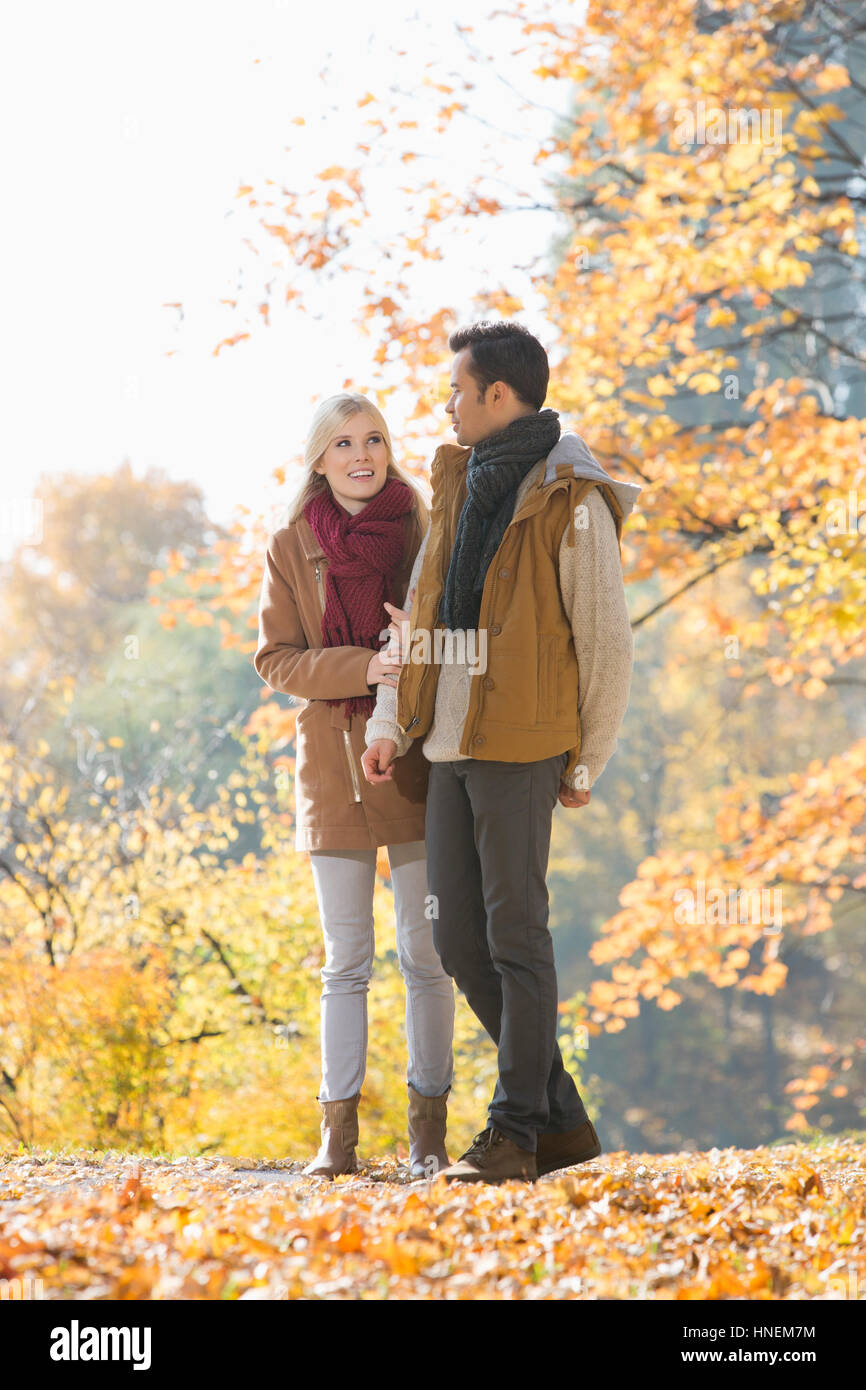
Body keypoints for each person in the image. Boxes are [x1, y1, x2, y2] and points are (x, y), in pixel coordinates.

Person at [362, 322, 641, 1182]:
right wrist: (393, 722)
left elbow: (604, 639)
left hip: (523, 744)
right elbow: (421, 611)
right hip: (449, 744)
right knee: (457, 942)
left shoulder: (570, 495)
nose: (445, 403)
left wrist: (585, 759)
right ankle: (556, 1121)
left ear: (497, 394)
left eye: (456, 388)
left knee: (517, 936)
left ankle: (514, 1133)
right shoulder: (457, 484)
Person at [254, 393, 455, 1179]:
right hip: (330, 766)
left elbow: (449, 633)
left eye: (373, 439)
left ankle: (428, 1139)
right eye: (343, 444)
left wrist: (401, 675)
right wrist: (360, 667)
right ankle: (336, 1141)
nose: (362, 454)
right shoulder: (290, 544)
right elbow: (275, 659)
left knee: (426, 955)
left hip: (412, 756)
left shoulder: (425, 529)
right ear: (319, 458)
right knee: (346, 958)